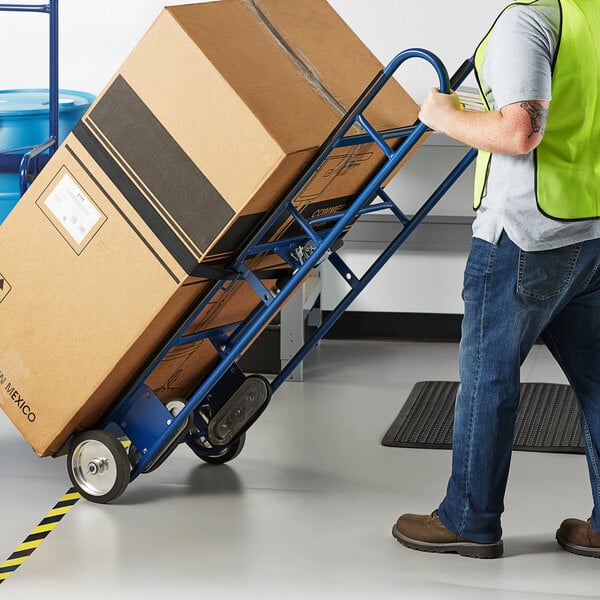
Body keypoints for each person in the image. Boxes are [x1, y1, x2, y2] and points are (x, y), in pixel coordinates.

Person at [392, 0, 600, 559]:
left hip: (524, 233)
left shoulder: (528, 20)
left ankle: (468, 519)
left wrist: (439, 116)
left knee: (489, 379)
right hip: (592, 230)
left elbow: (519, 132)